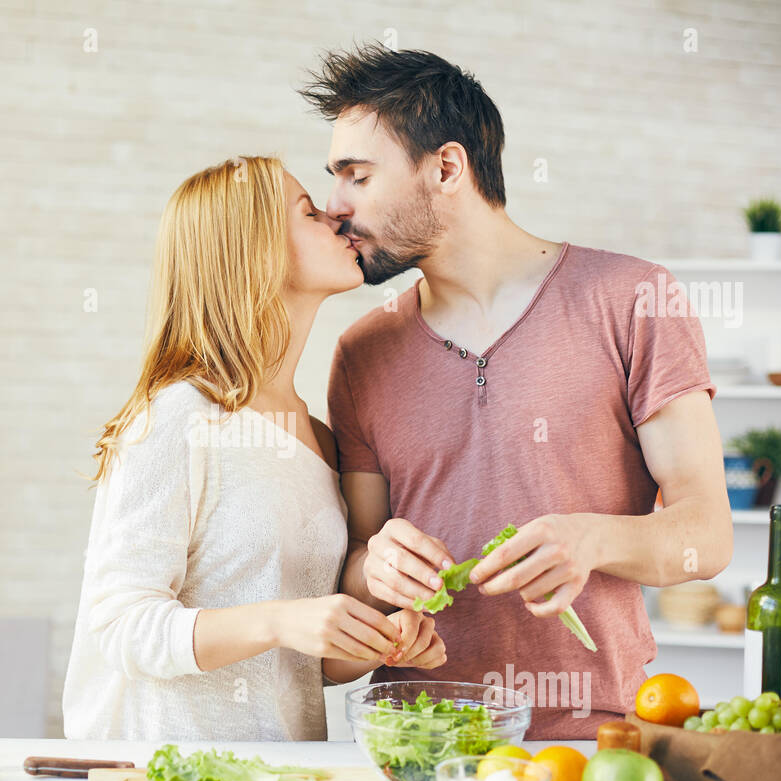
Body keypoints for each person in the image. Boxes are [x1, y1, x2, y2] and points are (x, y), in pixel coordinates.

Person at [298, 45, 734, 738]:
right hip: (415, 741)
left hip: (592, 736)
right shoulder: (362, 352)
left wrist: (587, 540)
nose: (335, 206)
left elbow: (706, 535)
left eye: (356, 176)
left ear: (446, 168)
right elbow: (356, 560)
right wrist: (376, 566)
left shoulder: (632, 300)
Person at [63, 155, 445, 741]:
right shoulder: (178, 417)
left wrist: (380, 639)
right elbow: (119, 625)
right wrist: (278, 620)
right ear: (255, 248)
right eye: (309, 213)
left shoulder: (317, 438)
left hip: (285, 779)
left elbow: (303, 664)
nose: (338, 219)